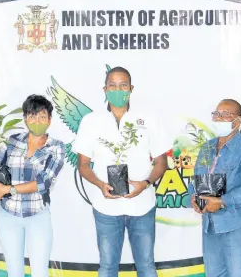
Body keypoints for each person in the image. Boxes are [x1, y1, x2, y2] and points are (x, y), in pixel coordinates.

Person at [73, 66, 171, 277]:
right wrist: (101, 185)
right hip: (106, 208)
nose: (118, 90)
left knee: (146, 265)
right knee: (108, 266)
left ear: (131, 88)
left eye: (123, 85)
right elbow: (83, 165)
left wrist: (144, 184)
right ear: (105, 89)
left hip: (142, 206)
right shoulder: (91, 121)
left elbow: (161, 162)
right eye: (113, 85)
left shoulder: (148, 119)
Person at [0, 95, 66, 277]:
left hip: (37, 216)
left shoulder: (56, 147)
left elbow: (44, 182)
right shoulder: (12, 141)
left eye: (42, 116)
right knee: (14, 270)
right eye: (32, 116)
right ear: (25, 118)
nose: (37, 121)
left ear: (50, 120)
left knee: (40, 271)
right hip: (8, 215)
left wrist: (7, 190)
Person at [189, 99, 241, 277]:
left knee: (239, 273)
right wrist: (192, 197)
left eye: (226, 115)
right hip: (211, 224)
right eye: (217, 114)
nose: (220, 118)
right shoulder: (206, 148)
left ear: (238, 120)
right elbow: (195, 182)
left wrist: (222, 201)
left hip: (238, 222)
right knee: (213, 273)